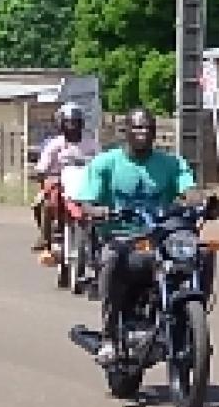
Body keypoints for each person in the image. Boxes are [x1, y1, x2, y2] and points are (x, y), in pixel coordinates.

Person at [74, 108, 201, 366]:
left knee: (203, 252)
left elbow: (189, 188)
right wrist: (97, 210)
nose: (143, 133)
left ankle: (190, 321)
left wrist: (199, 201)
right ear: (126, 132)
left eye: (148, 128)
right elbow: (85, 202)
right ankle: (109, 338)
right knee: (111, 260)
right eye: (138, 128)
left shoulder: (171, 163)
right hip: (120, 237)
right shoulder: (105, 163)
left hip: (161, 236)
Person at [31, 103, 100, 253]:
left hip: (84, 183)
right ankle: (46, 236)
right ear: (61, 124)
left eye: (75, 122)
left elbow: (100, 162)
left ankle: (98, 239)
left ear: (81, 123)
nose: (72, 126)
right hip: (58, 182)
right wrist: (41, 173)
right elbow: (43, 165)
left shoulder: (91, 143)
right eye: (68, 122)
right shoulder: (55, 144)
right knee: (42, 203)